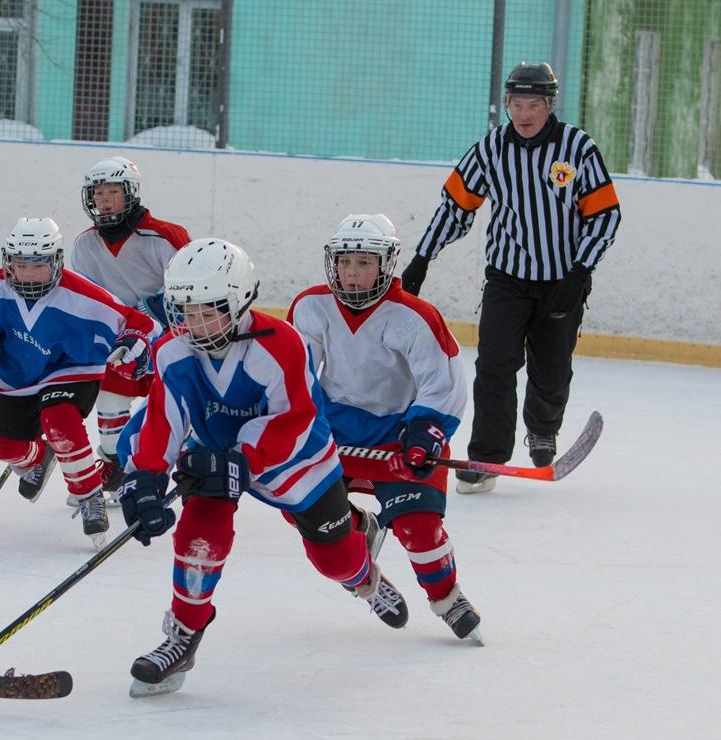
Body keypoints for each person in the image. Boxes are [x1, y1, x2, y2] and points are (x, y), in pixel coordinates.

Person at [116, 238, 410, 698]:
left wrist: (244, 459)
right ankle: (183, 636)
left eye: (206, 310)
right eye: (183, 310)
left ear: (238, 302)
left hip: (296, 462)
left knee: (333, 560)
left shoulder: (281, 344)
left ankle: (364, 574)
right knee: (199, 535)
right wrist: (144, 479)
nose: (191, 323)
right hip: (216, 458)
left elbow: (296, 418)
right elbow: (162, 419)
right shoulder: (172, 352)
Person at [400, 62, 621, 494]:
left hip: (563, 281)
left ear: (549, 105)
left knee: (552, 372)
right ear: (506, 105)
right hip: (507, 279)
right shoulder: (490, 150)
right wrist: (423, 257)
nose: (524, 114)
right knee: (494, 366)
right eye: (516, 104)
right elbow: (455, 207)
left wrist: (580, 271)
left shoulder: (578, 149)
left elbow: (606, 216)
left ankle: (542, 427)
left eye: (533, 105)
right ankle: (486, 455)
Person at [288, 214, 480, 641]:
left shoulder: (414, 316)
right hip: (333, 436)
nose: (352, 274)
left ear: (387, 264)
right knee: (311, 520)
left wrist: (424, 430)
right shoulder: (311, 307)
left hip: (396, 436)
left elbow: (442, 382)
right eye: (345, 262)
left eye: (364, 262)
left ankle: (447, 598)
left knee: (419, 530)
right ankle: (365, 576)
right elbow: (295, 377)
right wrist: (295, 427)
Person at [0, 217, 158, 548]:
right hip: (17, 376)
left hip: (72, 369)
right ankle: (39, 457)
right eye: (21, 265)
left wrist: (133, 340)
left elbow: (138, 323)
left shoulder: (82, 295)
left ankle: (89, 496)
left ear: (56, 262)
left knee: (58, 419)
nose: (28, 274)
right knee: (1, 446)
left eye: (38, 265)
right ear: (9, 262)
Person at [70, 156, 190, 498]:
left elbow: (192, 290)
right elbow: (85, 302)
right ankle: (114, 461)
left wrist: (153, 310)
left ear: (130, 194)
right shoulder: (85, 245)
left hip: (172, 339)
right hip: (123, 342)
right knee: (109, 397)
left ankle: (155, 464)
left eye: (113, 192)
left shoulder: (165, 236)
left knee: (168, 411)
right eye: (98, 193)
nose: (104, 200)